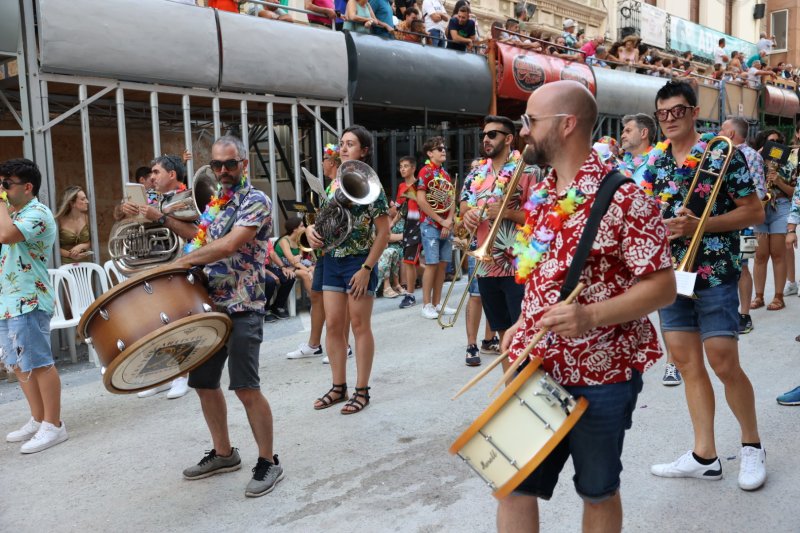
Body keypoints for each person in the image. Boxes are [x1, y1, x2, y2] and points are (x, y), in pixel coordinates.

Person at [497, 80, 675, 532]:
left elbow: (663, 288)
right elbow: (543, 272)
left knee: (597, 491)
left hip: (602, 375)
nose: (523, 132)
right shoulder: (543, 194)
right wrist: (522, 321)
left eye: (531, 121)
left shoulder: (627, 198)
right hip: (537, 367)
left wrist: (589, 315)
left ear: (566, 124)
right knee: (511, 482)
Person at [645, 80, 766, 492]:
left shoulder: (721, 153)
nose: (669, 119)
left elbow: (754, 212)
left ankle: (751, 446)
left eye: (678, 111)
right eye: (662, 113)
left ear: (694, 112)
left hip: (714, 270)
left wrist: (701, 225)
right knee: (686, 363)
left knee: (723, 361)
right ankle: (704, 456)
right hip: (669, 274)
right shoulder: (655, 162)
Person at [170, 135, 283, 498]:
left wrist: (186, 260)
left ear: (244, 164)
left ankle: (269, 461)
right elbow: (203, 239)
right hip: (209, 307)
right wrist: (165, 219)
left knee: (246, 387)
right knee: (204, 384)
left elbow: (232, 243)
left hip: (244, 305)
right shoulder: (216, 203)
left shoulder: (257, 201)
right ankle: (224, 453)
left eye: (229, 164)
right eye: (217, 165)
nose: (222, 171)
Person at [306, 125, 390, 414]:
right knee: (333, 325)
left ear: (364, 151)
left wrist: (367, 267)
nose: (343, 148)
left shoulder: (373, 188)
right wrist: (309, 231)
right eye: (341, 143)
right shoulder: (332, 184)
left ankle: (362, 390)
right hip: (332, 259)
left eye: (350, 144)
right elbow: (322, 220)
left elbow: (383, 233)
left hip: (358, 262)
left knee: (359, 325)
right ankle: (338, 387)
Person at [1, 158, 67, 454]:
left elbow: (7, 235)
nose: (2, 190)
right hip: (8, 300)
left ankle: (54, 424)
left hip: (29, 299)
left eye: (6, 184)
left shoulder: (37, 213)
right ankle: (38, 418)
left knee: (39, 362)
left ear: (27, 188)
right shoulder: (13, 213)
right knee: (17, 363)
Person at [121, 155, 196, 400]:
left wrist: (161, 218)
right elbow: (119, 217)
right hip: (148, 267)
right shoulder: (149, 197)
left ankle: (182, 374)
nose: (151, 177)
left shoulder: (187, 197)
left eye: (156, 172)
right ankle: (162, 375)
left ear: (172, 175)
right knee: (152, 323)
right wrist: (124, 209)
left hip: (176, 267)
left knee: (175, 323)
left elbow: (195, 234)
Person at [460, 115, 530, 368]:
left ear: (509, 138)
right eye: (484, 135)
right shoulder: (476, 173)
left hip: (518, 266)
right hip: (487, 266)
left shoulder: (527, 170)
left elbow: (542, 218)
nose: (485, 139)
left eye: (492, 135)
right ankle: (510, 395)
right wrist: (466, 216)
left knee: (524, 337)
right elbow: (464, 208)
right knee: (503, 339)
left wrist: (507, 212)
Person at [719, 117, 766, 336]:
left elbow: (758, 191)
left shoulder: (751, 156)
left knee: (743, 266)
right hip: (722, 223)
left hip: (744, 225)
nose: (719, 132)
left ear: (730, 133)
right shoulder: (717, 154)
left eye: (722, 128)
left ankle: (744, 314)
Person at [751, 129, 795, 312]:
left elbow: (794, 193)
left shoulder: (788, 165)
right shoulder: (753, 161)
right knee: (760, 255)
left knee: (778, 253)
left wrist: (778, 181)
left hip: (781, 207)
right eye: (770, 141)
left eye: (778, 141)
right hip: (760, 209)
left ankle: (778, 297)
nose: (774, 145)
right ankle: (758, 296)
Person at [416, 136, 456, 320]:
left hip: (444, 224)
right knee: (431, 264)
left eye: (444, 148)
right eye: (438, 148)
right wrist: (442, 220)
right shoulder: (425, 172)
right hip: (431, 224)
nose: (443, 151)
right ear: (429, 153)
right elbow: (422, 201)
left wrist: (449, 220)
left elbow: (451, 199)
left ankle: (438, 302)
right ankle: (426, 304)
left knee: (442, 265)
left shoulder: (446, 175)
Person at [396, 156, 422, 308]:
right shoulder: (401, 187)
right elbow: (401, 209)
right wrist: (391, 223)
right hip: (408, 226)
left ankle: (410, 295)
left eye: (406, 166)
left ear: (413, 168)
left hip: (419, 225)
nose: (403, 169)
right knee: (412, 261)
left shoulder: (420, 185)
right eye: (401, 166)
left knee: (409, 261)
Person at [55, 185, 92, 264]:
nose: (87, 201)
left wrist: (80, 246)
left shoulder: (87, 218)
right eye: (83, 199)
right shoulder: (59, 221)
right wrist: (70, 254)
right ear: (72, 203)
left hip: (85, 265)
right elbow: (53, 246)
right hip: (64, 266)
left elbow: (90, 241)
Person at [263, 238, 296, 324]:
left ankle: (277, 306)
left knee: (289, 277)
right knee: (270, 281)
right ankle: (265, 309)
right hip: (256, 269)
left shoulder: (265, 238)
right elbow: (254, 263)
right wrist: (270, 274)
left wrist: (283, 267)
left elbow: (272, 254)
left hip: (267, 266)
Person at [377, 201, 406, 298]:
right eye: (395, 207)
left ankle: (397, 284)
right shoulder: (381, 220)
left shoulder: (400, 220)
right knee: (391, 251)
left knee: (396, 251)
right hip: (379, 248)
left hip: (393, 246)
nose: (397, 209)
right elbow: (385, 237)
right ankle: (387, 286)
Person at [620, 113, 656, 186]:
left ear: (643, 133)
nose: (622, 136)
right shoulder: (622, 165)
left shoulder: (660, 163)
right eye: (622, 132)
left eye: (628, 131)